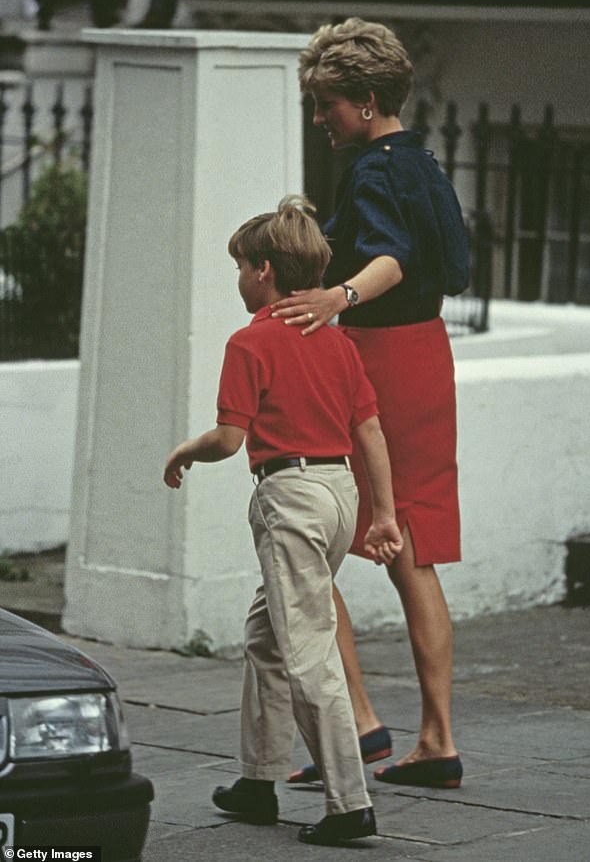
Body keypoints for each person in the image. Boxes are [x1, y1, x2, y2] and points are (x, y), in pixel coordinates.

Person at [163, 195, 403, 845]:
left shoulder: (250, 342)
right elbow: (369, 428)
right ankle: (258, 780)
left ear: (264, 270)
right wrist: (382, 513)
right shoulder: (335, 340)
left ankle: (348, 803)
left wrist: (189, 448)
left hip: (290, 495)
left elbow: (231, 439)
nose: (238, 278)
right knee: (270, 635)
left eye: (241, 266)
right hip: (339, 492)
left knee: (306, 649)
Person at [272, 17, 469, 790]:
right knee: (412, 552)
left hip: (374, 365)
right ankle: (438, 739)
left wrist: (335, 296)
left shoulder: (371, 170)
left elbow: (392, 255)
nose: (321, 119)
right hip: (428, 356)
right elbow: (444, 263)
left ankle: (356, 727)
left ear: (363, 100)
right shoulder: (423, 161)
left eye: (327, 105)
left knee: (310, 539)